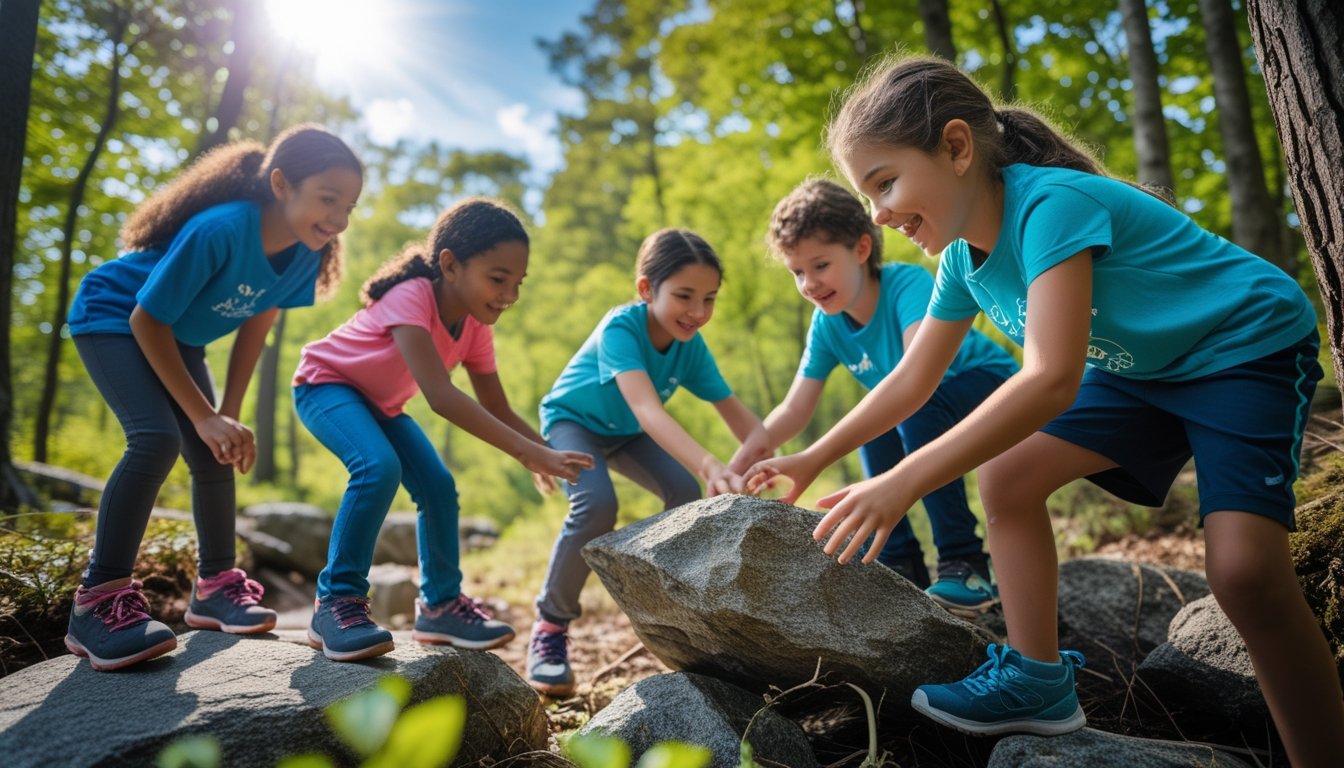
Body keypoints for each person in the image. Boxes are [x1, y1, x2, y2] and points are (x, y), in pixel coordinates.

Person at [746, 54, 1344, 765]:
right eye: (866, 194)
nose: (877, 214)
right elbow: (909, 380)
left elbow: (1051, 379)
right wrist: (815, 456)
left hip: (1242, 347)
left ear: (958, 148)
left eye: (885, 182)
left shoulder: (1050, 205)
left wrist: (902, 480)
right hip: (1141, 370)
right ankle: (1037, 678)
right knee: (1007, 478)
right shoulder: (962, 263)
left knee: (1246, 576)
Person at [63, 124, 364, 671]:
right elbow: (145, 319)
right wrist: (201, 416)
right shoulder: (220, 230)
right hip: (115, 317)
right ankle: (97, 600)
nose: (339, 219)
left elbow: (258, 322)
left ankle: (216, 586)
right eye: (328, 199)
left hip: (179, 335)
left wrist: (226, 415)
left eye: (349, 207)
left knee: (213, 452)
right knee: (155, 439)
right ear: (280, 184)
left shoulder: (305, 251)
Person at [293, 197, 592, 662]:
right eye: (498, 279)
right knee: (377, 466)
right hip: (325, 386)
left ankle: (440, 606)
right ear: (450, 265)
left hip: (381, 405)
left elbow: (495, 405)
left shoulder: (474, 327)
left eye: (518, 283)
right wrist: (525, 452)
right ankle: (336, 603)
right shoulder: (411, 295)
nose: (509, 295)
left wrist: (545, 450)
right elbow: (440, 396)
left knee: (437, 485)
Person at [729, 177, 1017, 615]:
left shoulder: (908, 285)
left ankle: (965, 562)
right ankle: (900, 561)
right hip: (918, 406)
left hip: (990, 385)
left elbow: (916, 377)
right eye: (797, 272)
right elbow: (794, 406)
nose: (808, 283)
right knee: (871, 425)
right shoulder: (827, 324)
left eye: (820, 265)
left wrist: (818, 455)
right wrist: (749, 455)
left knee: (904, 411)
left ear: (862, 249)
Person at [528, 228, 769, 696]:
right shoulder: (622, 327)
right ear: (646, 289)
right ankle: (551, 628)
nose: (698, 313)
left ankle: (671, 618)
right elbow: (647, 409)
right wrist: (710, 463)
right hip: (573, 423)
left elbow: (746, 422)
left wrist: (766, 461)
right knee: (597, 504)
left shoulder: (690, 346)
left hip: (626, 435)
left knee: (683, 493)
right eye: (684, 296)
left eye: (709, 298)